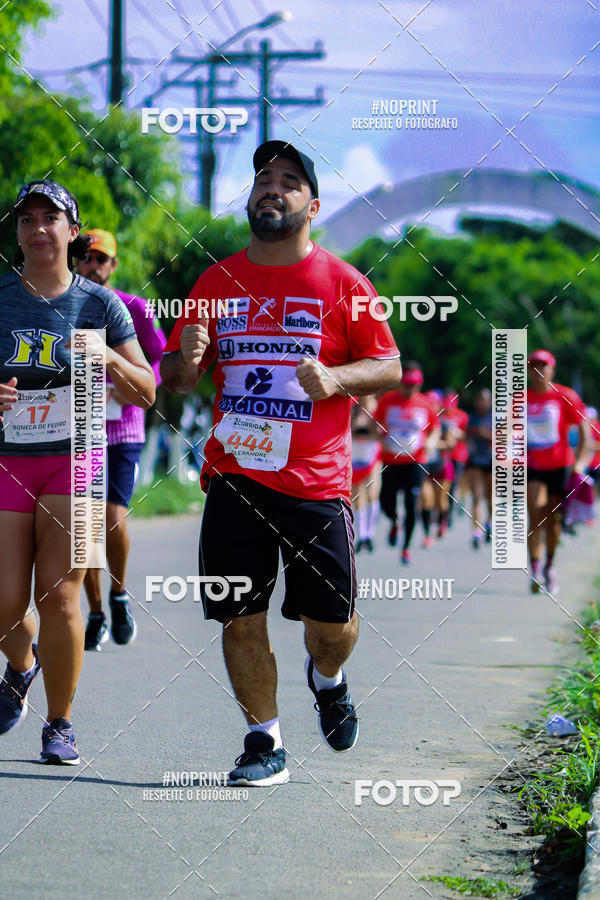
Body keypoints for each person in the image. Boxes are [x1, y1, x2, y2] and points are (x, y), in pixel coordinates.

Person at [161, 140, 401, 786]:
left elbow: (389, 364)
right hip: (234, 476)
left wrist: (337, 377)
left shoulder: (344, 283)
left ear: (313, 205)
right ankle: (263, 741)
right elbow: (180, 381)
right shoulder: (215, 282)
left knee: (333, 628)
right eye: (263, 178)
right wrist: (183, 358)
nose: (272, 187)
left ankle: (328, 678)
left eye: (289, 181)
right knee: (240, 616)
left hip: (316, 484)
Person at [0, 180, 154, 764]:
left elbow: (145, 391)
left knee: (61, 596)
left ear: (72, 230)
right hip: (8, 459)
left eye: (51, 218)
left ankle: (59, 724)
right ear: (16, 232)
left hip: (77, 457)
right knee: (4, 601)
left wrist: (109, 356)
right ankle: (21, 665)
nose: (38, 228)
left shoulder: (100, 305)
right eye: (26, 219)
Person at [76, 229, 166, 650]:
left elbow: (156, 365)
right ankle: (95, 611)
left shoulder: (134, 308)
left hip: (122, 426)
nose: (93, 266)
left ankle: (119, 594)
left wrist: (125, 384)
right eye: (85, 258)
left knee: (112, 517)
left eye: (101, 259)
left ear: (113, 265)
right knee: (84, 525)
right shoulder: (64, 306)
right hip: (77, 428)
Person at [527, 349, 588, 594]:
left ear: (552, 369)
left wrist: (580, 462)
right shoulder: (519, 398)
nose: (538, 371)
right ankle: (534, 568)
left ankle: (549, 566)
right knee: (535, 511)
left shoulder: (566, 396)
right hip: (531, 466)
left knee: (552, 521)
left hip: (560, 465)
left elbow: (584, 431)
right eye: (534, 366)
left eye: (543, 366)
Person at [374, 363, 440, 564]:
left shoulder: (426, 404)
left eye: (414, 385)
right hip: (390, 460)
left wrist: (431, 441)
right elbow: (375, 423)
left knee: (412, 504)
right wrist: (377, 435)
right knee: (387, 501)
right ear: (400, 383)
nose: (409, 388)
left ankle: (406, 548)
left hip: (416, 460)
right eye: (406, 384)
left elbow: (435, 429)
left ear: (419, 385)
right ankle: (394, 521)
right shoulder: (387, 401)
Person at [421, 389, 455, 543]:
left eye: (434, 403)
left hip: (442, 466)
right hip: (425, 466)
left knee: (440, 502)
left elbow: (451, 444)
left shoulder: (445, 424)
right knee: (426, 500)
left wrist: (434, 444)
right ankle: (427, 534)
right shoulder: (420, 422)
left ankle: (443, 523)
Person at [351, 395, 381, 553]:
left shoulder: (377, 408)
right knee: (356, 495)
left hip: (371, 455)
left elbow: (381, 434)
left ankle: (370, 533)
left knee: (371, 493)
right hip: (355, 455)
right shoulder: (352, 408)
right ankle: (361, 535)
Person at [465, 388, 493, 549]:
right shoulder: (471, 418)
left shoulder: (495, 417)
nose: (482, 403)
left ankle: (489, 522)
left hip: (491, 460)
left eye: (485, 400)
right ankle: (476, 532)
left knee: (490, 497)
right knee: (476, 496)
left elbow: (504, 437)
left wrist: (486, 435)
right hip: (475, 459)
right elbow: (466, 435)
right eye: (479, 400)